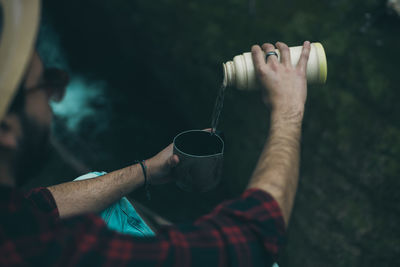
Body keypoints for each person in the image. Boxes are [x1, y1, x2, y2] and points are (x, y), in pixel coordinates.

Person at [0, 10, 311, 265]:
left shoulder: (12, 219)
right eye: (47, 83)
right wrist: (288, 112)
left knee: (94, 183)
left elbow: (39, 205)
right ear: (6, 132)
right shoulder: (56, 252)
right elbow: (251, 240)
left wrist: (148, 169)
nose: (56, 96)